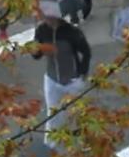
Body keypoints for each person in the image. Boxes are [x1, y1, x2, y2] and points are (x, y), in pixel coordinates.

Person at [33, 8, 90, 147]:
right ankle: (51, 143)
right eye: (45, 16)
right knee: (52, 111)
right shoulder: (41, 30)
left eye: (49, 16)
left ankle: (85, 140)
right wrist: (37, 51)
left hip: (73, 79)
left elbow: (86, 52)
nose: (46, 18)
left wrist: (82, 74)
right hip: (52, 79)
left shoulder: (71, 32)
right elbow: (36, 55)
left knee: (78, 111)